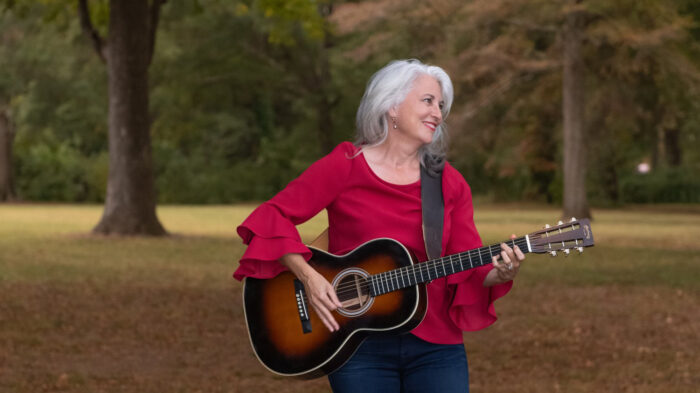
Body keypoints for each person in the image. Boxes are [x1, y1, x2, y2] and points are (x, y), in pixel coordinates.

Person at [234, 59, 525, 393]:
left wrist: (500, 273)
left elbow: (466, 265)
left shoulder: (449, 183)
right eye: (428, 100)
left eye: (441, 105)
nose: (438, 113)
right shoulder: (345, 166)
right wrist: (309, 277)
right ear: (391, 106)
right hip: (357, 343)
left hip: (436, 345)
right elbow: (272, 216)